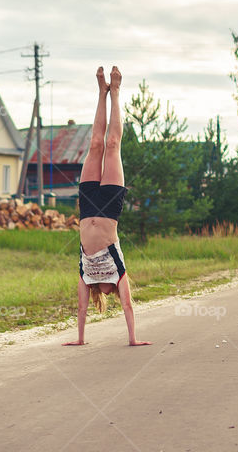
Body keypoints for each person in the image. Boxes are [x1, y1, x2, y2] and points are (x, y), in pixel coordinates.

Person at [63, 67, 150, 347]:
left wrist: (79, 339)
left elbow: (81, 309)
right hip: (110, 207)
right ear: (109, 290)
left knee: (95, 144)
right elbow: (128, 306)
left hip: (88, 208)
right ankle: (116, 91)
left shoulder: (86, 276)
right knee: (113, 145)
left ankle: (102, 91)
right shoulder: (118, 272)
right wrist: (133, 339)